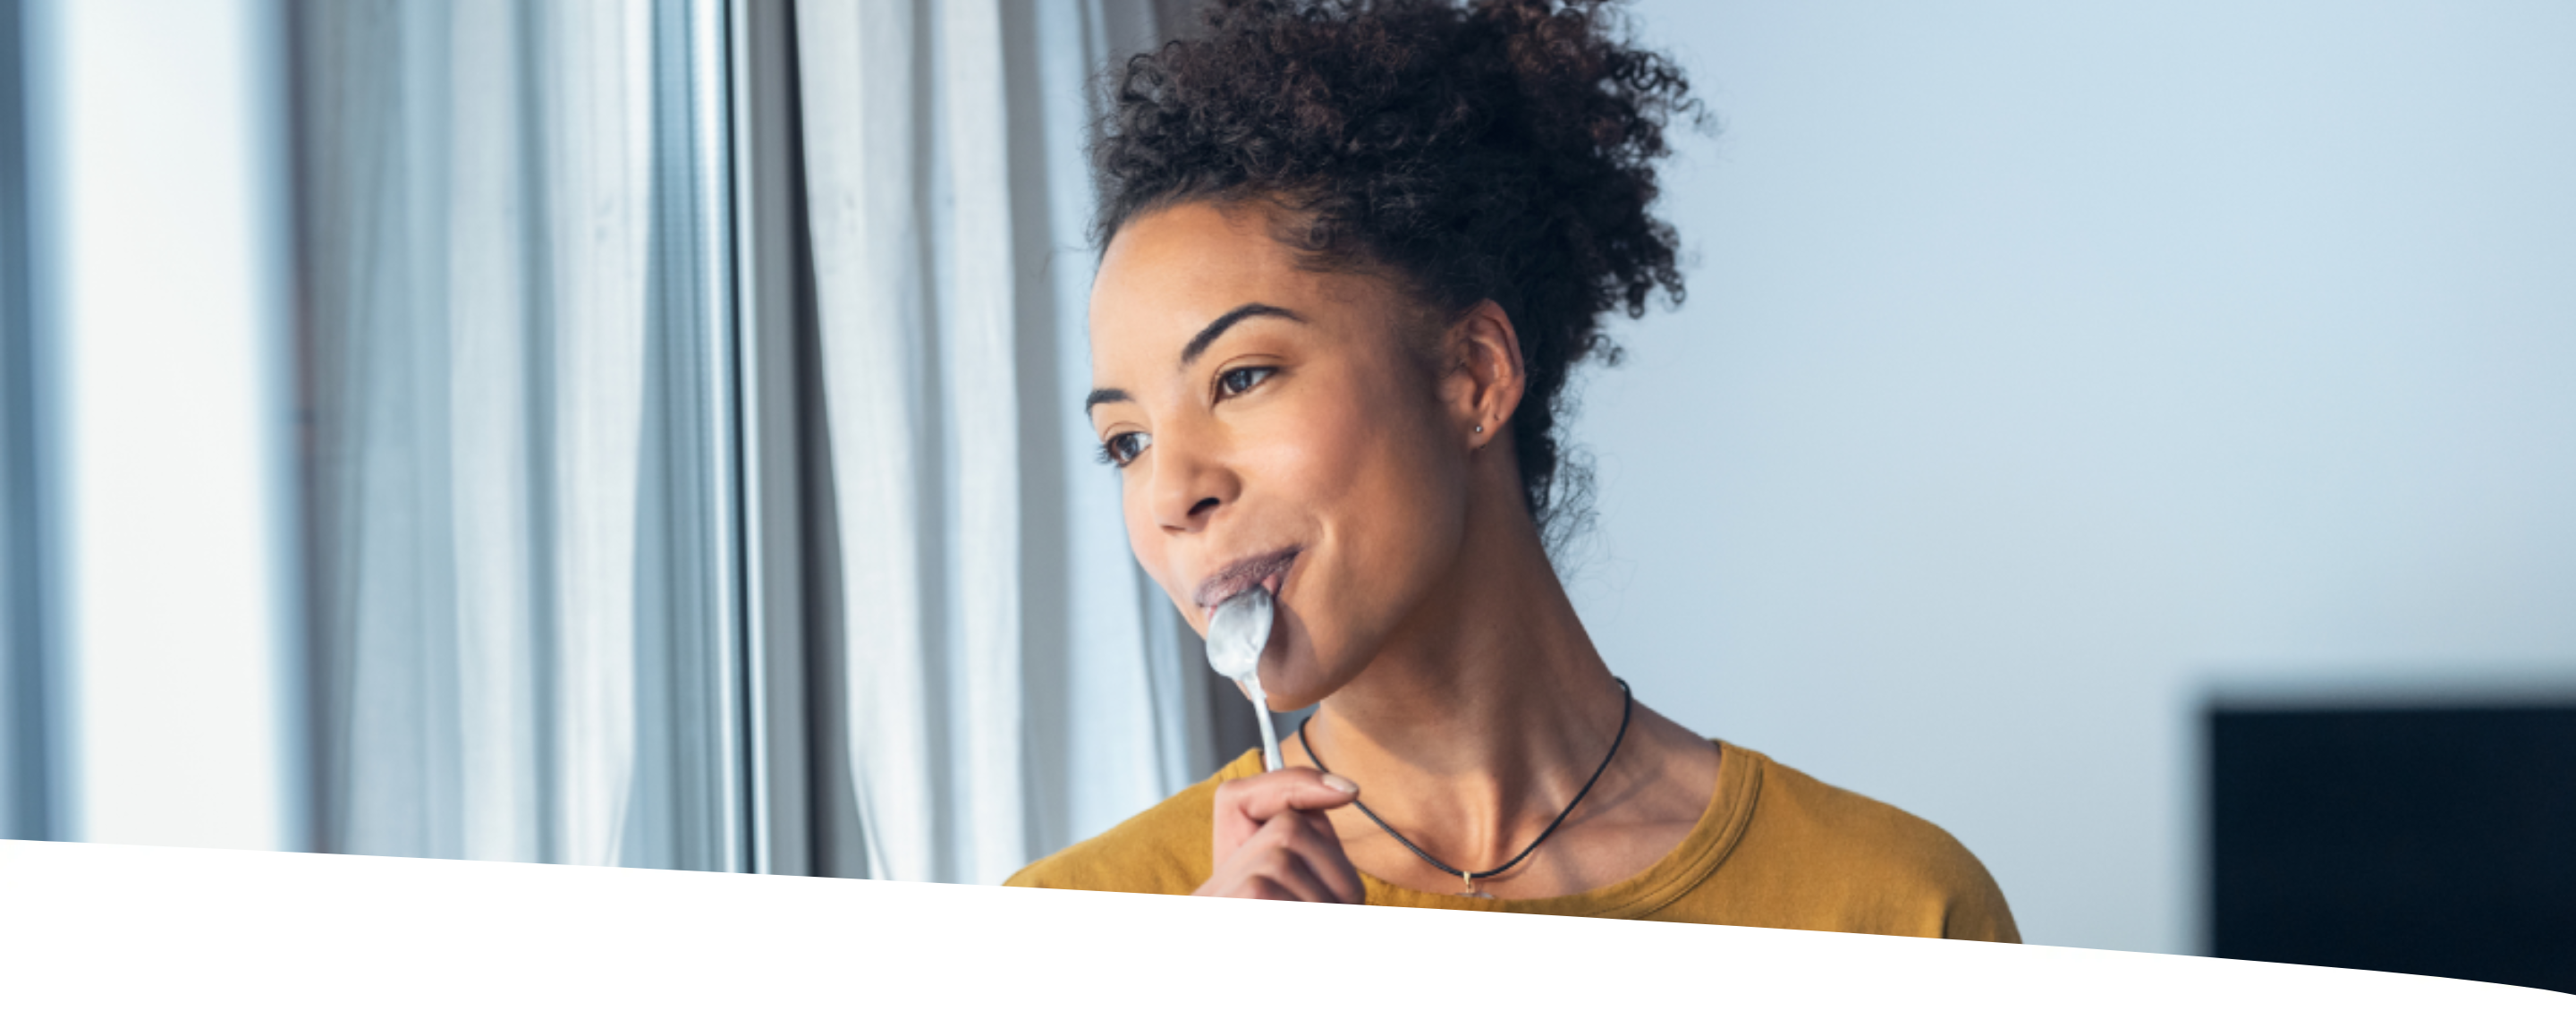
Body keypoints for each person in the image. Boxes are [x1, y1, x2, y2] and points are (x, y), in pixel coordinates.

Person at [1008, 0, 2017, 940]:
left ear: (1473, 375)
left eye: (1241, 378)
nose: (1172, 494)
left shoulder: (1897, 908)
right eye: (1126, 443)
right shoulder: (1078, 928)